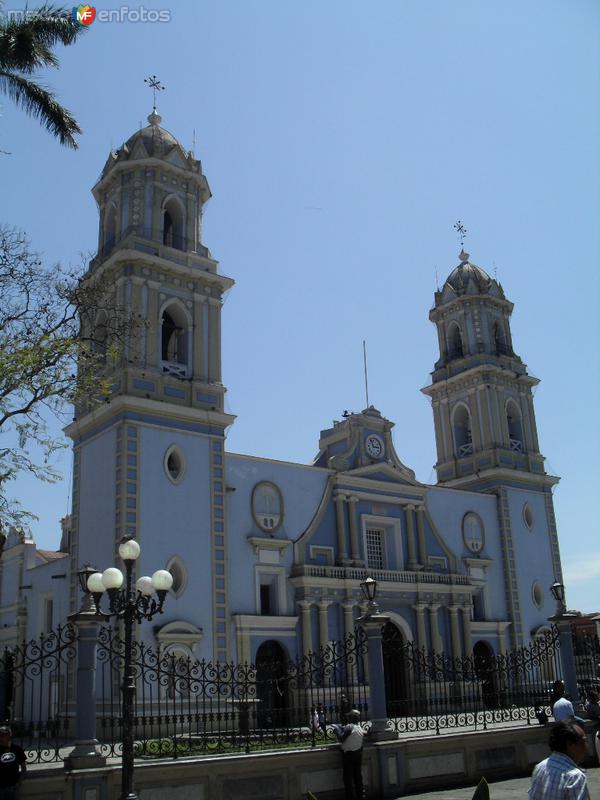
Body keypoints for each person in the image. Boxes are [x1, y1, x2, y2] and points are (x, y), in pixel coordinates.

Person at [528, 720, 590, 800]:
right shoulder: (575, 777)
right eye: (584, 741)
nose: (586, 747)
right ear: (570, 744)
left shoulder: (540, 767)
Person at [334, 709, 365, 800]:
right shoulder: (359, 727)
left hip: (349, 756)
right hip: (358, 754)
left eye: (348, 716)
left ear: (351, 717)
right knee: (358, 777)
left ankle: (350, 797)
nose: (347, 718)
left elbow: (341, 739)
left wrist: (336, 729)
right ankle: (361, 795)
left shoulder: (349, 727)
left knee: (348, 779)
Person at [0, 726, 26, 800]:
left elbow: (23, 767)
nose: (2, 737)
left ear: (9, 736)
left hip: (13, 787)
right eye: (1, 735)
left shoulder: (17, 749)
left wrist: (19, 782)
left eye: (5, 735)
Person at [584, 690, 600, 763]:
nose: (598, 697)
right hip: (595, 727)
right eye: (596, 696)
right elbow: (595, 715)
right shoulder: (590, 706)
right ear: (592, 698)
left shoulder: (597, 704)